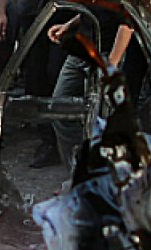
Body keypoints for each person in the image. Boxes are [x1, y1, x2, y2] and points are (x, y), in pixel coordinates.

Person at [46, 8, 134, 170]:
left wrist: (111, 65)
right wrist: (68, 25)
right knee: (59, 109)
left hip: (106, 54)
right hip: (81, 51)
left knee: (102, 122)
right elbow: (94, 10)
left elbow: (127, 22)